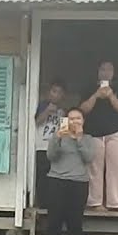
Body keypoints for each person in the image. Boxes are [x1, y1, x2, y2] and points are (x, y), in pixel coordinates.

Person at [44, 108, 97, 235]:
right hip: (56, 181)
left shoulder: (88, 139)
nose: (75, 122)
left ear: (83, 121)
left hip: (78, 183)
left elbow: (88, 158)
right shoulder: (59, 136)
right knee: (54, 221)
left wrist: (79, 138)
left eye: (78, 118)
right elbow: (50, 156)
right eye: (71, 118)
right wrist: (57, 138)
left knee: (75, 222)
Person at [79, 59, 118, 211]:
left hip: (115, 132)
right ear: (98, 71)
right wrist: (96, 95)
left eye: (109, 69)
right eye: (103, 69)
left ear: (114, 72)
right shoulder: (89, 87)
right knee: (94, 169)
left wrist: (110, 96)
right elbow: (83, 109)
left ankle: (116, 203)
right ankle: (95, 203)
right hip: (93, 133)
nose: (106, 73)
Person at [33, 78, 69, 207]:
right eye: (54, 91)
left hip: (56, 148)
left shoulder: (63, 111)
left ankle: (53, 202)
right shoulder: (42, 106)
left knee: (54, 176)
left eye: (59, 92)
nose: (56, 95)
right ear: (49, 92)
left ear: (63, 95)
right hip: (42, 146)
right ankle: (41, 202)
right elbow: (36, 122)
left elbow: (65, 131)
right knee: (42, 175)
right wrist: (47, 111)